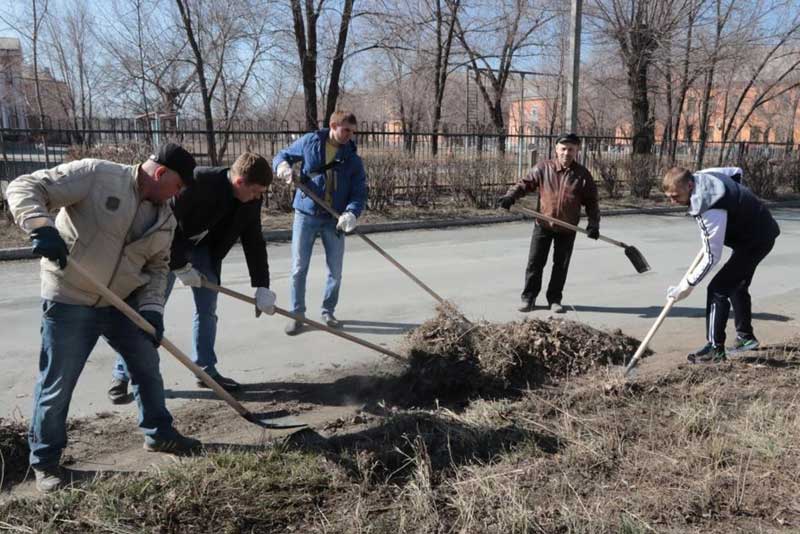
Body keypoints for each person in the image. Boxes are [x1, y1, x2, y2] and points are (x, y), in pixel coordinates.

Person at [6, 143, 201, 493]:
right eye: (179, 185)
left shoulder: (165, 219)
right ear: (160, 174)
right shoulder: (97, 176)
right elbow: (23, 186)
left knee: (146, 366)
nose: (179, 194)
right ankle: (45, 462)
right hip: (70, 297)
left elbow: (158, 269)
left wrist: (152, 311)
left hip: (121, 303)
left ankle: (159, 434)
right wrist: (40, 225)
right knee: (57, 383)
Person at [109, 152, 276, 397]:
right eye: (256, 191)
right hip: (170, 246)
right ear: (240, 182)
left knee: (207, 311)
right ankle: (122, 375)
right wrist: (179, 264)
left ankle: (206, 371)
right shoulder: (198, 182)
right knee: (149, 308)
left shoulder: (251, 200)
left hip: (207, 252)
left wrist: (262, 285)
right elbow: (167, 221)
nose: (258, 197)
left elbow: (254, 240)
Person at [662, 166, 780, 363]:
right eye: (669, 196)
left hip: (755, 240)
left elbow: (711, 257)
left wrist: (686, 286)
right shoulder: (703, 175)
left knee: (718, 289)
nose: (672, 201)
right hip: (759, 230)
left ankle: (714, 350)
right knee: (736, 284)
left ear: (690, 185)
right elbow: (736, 172)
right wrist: (736, 205)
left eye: (676, 196)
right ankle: (746, 338)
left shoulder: (709, 206)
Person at [273, 110, 367, 335]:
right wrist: (283, 167)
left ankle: (328, 310)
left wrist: (351, 214)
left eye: (353, 132)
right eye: (346, 130)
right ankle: (297, 314)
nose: (350, 136)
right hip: (305, 214)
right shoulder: (311, 142)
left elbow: (359, 192)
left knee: (335, 270)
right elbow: (282, 155)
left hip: (334, 219)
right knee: (298, 268)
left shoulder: (352, 159)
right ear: (333, 125)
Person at [496, 133, 601, 313]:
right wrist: (510, 196)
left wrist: (594, 224)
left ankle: (554, 299)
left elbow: (592, 202)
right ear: (556, 149)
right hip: (543, 224)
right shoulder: (544, 168)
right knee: (535, 263)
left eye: (571, 149)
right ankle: (529, 298)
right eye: (563, 149)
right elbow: (524, 184)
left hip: (568, 228)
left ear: (577, 151)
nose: (566, 153)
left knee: (560, 266)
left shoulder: (583, 175)